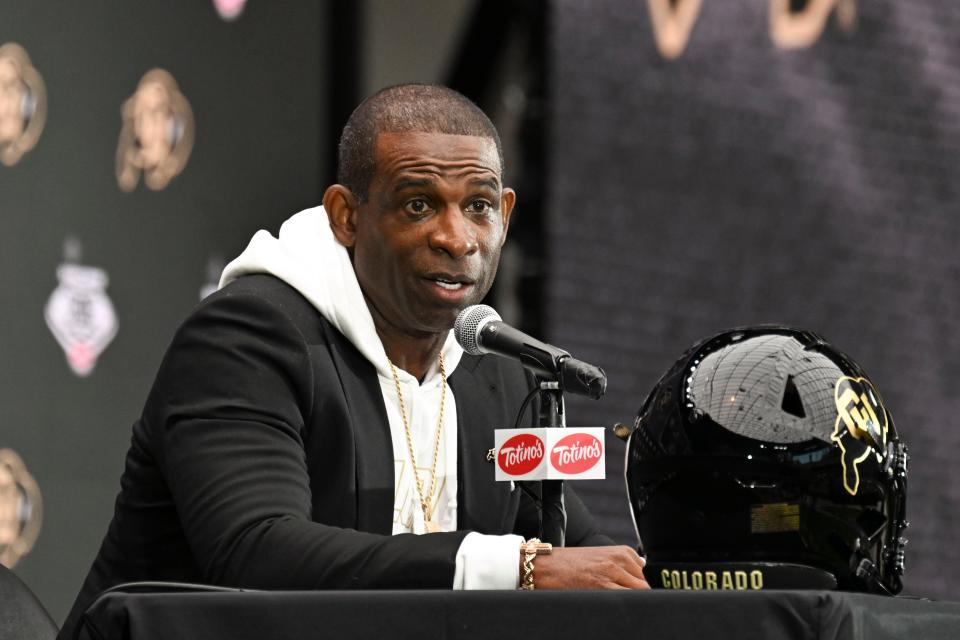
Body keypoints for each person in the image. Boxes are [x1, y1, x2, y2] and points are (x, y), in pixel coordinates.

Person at [59, 84, 647, 639]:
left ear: (506, 215)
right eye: (419, 205)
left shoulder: (498, 369)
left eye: (479, 206)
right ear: (347, 215)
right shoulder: (247, 337)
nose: (457, 237)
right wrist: (512, 565)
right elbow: (257, 551)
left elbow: (576, 554)